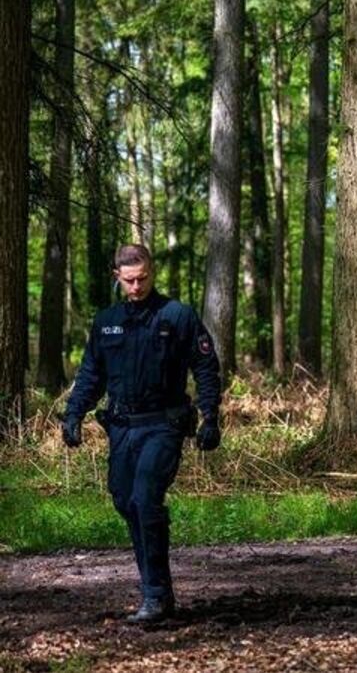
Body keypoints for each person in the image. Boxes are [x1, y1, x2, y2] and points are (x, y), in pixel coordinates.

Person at [62, 244, 221, 623]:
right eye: (130, 280)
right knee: (125, 501)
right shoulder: (107, 322)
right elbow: (91, 374)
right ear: (117, 276)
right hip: (122, 428)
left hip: (163, 425)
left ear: (152, 272)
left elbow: (205, 367)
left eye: (143, 278)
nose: (137, 286)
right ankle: (157, 590)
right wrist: (73, 414)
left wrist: (210, 417)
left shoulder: (177, 316)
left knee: (146, 498)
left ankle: (155, 595)